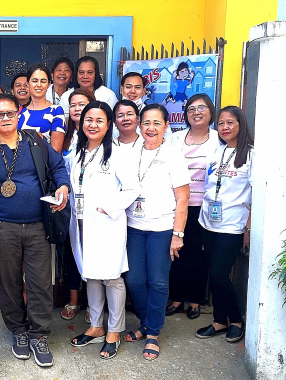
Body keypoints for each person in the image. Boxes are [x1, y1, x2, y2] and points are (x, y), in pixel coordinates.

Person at [0, 93, 70, 368]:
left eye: (10, 113)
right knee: (9, 283)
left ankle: (39, 334)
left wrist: (62, 185)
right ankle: (19, 331)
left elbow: (58, 166)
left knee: (39, 282)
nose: (5, 118)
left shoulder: (36, 141)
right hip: (2, 228)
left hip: (38, 225)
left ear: (18, 114)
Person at [68, 102, 140, 359]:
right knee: (91, 274)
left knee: (111, 276)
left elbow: (132, 189)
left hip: (106, 223)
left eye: (99, 120)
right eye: (88, 119)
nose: (92, 124)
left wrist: (108, 207)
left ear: (109, 124)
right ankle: (96, 326)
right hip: (81, 223)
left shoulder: (117, 153)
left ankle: (114, 330)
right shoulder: (78, 152)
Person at [123, 104, 190, 361]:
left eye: (157, 123)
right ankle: (146, 321)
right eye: (146, 123)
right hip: (134, 227)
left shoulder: (173, 155)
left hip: (162, 228)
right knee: (135, 280)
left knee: (158, 281)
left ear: (165, 126)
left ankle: (152, 332)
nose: (151, 128)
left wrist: (178, 234)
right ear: (140, 126)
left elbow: (182, 199)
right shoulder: (130, 153)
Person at [195, 106, 253, 344]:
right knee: (213, 273)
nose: (225, 127)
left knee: (220, 274)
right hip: (208, 222)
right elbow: (210, 185)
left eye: (230, 123)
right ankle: (220, 320)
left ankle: (236, 320)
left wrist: (248, 228)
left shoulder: (251, 155)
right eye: (221, 123)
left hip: (232, 225)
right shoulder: (216, 152)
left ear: (241, 125)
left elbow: (256, 194)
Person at [167, 94, 220, 319]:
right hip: (178, 205)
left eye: (201, 108)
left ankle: (196, 300)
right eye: (191, 109)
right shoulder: (175, 139)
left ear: (210, 112)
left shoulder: (219, 140)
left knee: (199, 255)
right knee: (177, 252)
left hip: (204, 207)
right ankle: (177, 298)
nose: (196, 112)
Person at [59, 88, 95, 322]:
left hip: (93, 206)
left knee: (93, 253)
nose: (77, 108)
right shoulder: (63, 132)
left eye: (82, 104)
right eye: (73, 104)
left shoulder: (99, 134)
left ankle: (93, 303)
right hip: (69, 203)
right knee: (71, 254)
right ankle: (73, 300)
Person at [18, 63, 66, 153]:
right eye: (34, 81)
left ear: (48, 84)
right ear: (28, 84)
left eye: (43, 81)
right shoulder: (20, 113)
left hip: (44, 165)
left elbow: (56, 151)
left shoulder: (56, 111)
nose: (39, 85)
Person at [118, 72, 172, 140]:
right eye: (128, 87)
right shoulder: (112, 112)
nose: (132, 91)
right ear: (121, 89)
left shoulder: (154, 113)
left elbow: (168, 138)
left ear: (144, 91)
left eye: (137, 87)